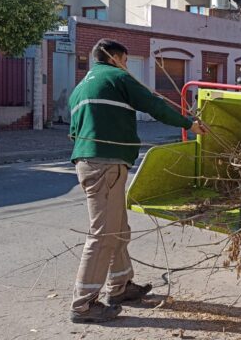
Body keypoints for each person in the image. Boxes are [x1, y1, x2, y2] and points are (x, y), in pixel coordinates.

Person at [68, 38, 206, 323]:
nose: (127, 66)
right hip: (105, 166)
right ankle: (82, 306)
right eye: (126, 60)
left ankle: (120, 288)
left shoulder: (80, 87)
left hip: (93, 164)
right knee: (103, 234)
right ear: (116, 57)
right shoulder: (117, 77)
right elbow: (153, 105)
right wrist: (189, 124)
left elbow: (73, 131)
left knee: (118, 230)